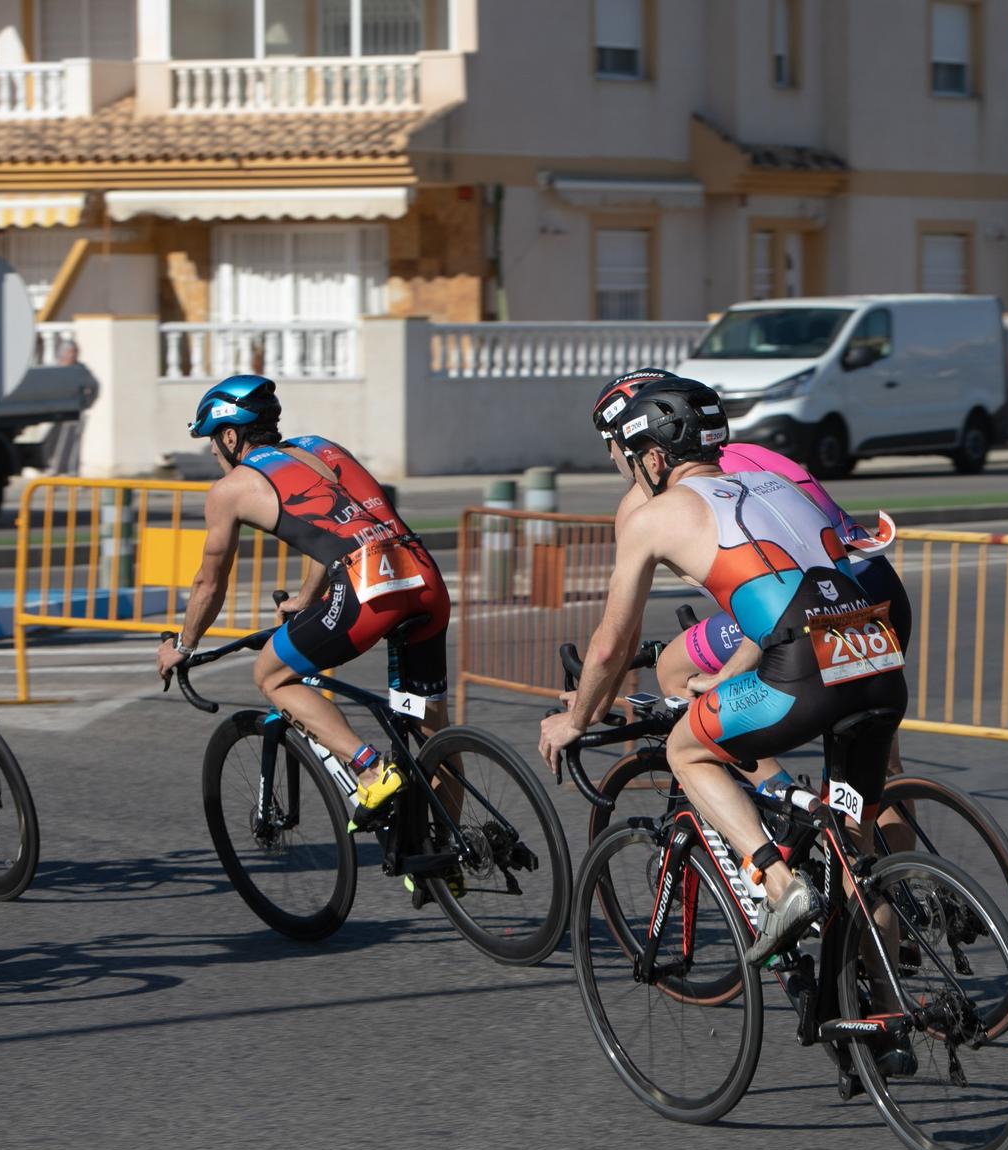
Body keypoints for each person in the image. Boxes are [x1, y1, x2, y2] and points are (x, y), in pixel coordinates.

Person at [538, 372, 908, 970]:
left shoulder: (657, 516)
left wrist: (576, 718)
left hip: (805, 671)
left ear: (654, 456)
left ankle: (779, 884)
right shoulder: (768, 482)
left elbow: (610, 646)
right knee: (857, 860)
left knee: (689, 749)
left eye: (625, 460)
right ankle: (884, 1021)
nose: (626, 473)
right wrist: (736, 671)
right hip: (877, 658)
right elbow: (806, 593)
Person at [155, 375, 451, 823]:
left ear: (231, 435)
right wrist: (307, 599)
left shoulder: (232, 488)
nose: (214, 454)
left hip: (368, 589)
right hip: (424, 576)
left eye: (214, 443)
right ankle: (450, 857)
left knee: (272, 675)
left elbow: (209, 584)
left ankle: (370, 770)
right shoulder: (319, 446)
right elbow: (341, 522)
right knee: (432, 732)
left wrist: (183, 645)